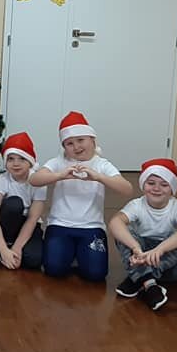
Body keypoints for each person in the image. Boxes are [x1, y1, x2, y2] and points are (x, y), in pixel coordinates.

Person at [31, 111, 132, 282]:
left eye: (80, 140)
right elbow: (34, 180)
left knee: (96, 274)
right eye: (69, 143)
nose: (76, 147)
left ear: (92, 140)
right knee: (53, 269)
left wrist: (99, 177)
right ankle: (72, 252)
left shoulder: (101, 164)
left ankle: (77, 253)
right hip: (60, 224)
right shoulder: (59, 162)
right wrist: (60, 175)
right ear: (64, 147)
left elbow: (127, 189)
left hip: (92, 226)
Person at [109, 159, 177, 310]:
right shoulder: (137, 205)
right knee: (123, 232)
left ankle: (139, 278)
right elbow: (115, 222)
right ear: (143, 185)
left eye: (164, 185)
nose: (156, 188)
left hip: (170, 270)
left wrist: (160, 250)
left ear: (172, 188)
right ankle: (149, 283)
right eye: (151, 183)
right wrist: (135, 248)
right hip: (141, 255)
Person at [0, 132, 46, 271]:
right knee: (14, 203)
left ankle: (15, 248)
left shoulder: (38, 181)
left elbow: (32, 218)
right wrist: (3, 249)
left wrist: (17, 248)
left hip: (28, 224)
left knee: (34, 260)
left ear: (30, 161)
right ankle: (4, 246)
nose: (16, 164)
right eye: (11, 159)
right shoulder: (2, 180)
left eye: (22, 158)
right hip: (8, 223)